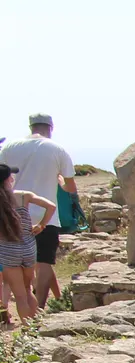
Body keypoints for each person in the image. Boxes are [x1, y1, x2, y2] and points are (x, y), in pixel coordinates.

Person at [0, 116, 76, 307]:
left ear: (30, 126)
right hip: (46, 215)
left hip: (12, 214)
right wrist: (59, 182)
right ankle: (40, 307)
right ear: (51, 128)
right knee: (44, 262)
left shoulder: (9, 147)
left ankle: (7, 307)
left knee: (11, 264)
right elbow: (70, 188)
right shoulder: (57, 149)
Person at [0, 165, 55, 325]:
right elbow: (51, 206)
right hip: (28, 248)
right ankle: (35, 329)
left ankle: (26, 329)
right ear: (8, 179)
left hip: (7, 250)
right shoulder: (23, 196)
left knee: (19, 296)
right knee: (28, 289)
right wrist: (41, 225)